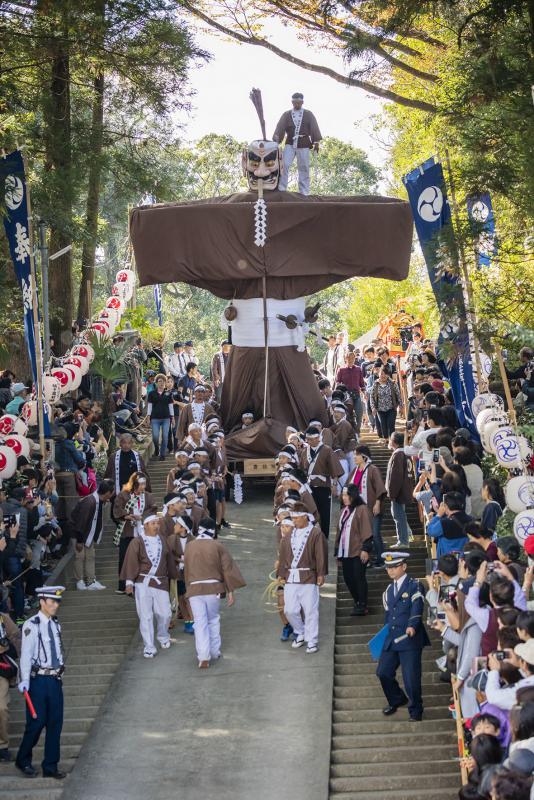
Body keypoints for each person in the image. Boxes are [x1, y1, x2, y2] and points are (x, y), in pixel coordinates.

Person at [16, 586, 66, 779]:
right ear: (42, 602)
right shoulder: (31, 624)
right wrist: (24, 679)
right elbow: (26, 655)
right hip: (38, 681)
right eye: (52, 602)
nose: (55, 606)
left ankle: (50, 766)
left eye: (57, 602)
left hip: (54, 679)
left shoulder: (55, 624)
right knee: (36, 723)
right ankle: (23, 760)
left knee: (55, 723)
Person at [184, 517, 246, 668]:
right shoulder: (217, 545)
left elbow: (186, 571)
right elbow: (227, 569)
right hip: (213, 588)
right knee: (212, 619)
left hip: (194, 588)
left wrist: (188, 591)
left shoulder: (189, 546)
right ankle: (214, 651)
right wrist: (230, 591)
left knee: (200, 622)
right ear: (213, 531)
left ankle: (203, 655)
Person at [376, 551, 430, 721]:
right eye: (388, 567)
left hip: (409, 639)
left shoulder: (414, 584)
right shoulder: (388, 589)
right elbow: (388, 614)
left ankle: (416, 711)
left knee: (411, 678)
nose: (390, 570)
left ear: (404, 566)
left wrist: (412, 625)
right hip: (392, 638)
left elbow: (417, 605)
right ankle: (397, 699)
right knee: (383, 672)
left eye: (394, 566)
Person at [121, 516, 178, 658]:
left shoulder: (162, 539)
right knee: (146, 616)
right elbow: (131, 561)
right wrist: (129, 583)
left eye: (158, 523)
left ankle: (163, 635)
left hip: (161, 581)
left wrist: (174, 574)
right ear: (145, 525)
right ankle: (149, 646)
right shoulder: (137, 542)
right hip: (143, 582)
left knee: (166, 613)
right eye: (153, 523)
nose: (156, 526)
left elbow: (169, 559)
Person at [277, 503, 327, 654]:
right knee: (289, 610)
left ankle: (312, 640)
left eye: (297, 518)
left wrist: (320, 574)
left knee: (310, 610)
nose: (294, 521)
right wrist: (281, 574)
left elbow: (320, 554)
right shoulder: (289, 535)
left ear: (305, 517)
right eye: (292, 518)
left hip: (309, 576)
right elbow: (283, 554)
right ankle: (300, 631)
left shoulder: (315, 533)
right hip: (291, 576)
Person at [113, 473, 157, 593]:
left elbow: (153, 509)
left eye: (144, 484)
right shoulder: (123, 495)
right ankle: (123, 585)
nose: (143, 486)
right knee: (124, 558)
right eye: (141, 484)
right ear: (134, 484)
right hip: (127, 532)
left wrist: (142, 517)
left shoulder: (148, 496)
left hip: (143, 531)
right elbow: (117, 509)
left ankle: (140, 583)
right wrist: (127, 515)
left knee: (142, 558)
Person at [272, 92, 322, 195]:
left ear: (302, 102)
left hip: (304, 143)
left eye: (299, 102)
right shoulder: (286, 114)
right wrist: (276, 141)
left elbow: (314, 127)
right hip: (290, 142)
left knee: (303, 166)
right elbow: (280, 128)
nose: (297, 104)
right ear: (292, 102)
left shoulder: (308, 114)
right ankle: (282, 188)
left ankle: (304, 191)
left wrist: (316, 142)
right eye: (295, 102)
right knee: (284, 164)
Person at [70, 479, 114, 591]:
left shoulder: (98, 501)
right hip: (78, 533)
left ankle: (90, 580)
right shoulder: (89, 502)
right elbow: (80, 521)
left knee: (90, 556)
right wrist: (79, 540)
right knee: (80, 556)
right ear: (108, 493)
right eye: (112, 492)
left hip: (88, 533)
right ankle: (79, 581)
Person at [335, 485, 373, 616]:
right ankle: (357, 601)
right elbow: (339, 532)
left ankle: (362, 604)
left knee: (359, 577)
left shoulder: (362, 509)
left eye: (347, 495)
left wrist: (366, 549)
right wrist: (337, 553)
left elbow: (367, 529)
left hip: (358, 550)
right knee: (348, 578)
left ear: (353, 495)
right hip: (345, 551)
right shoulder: (343, 511)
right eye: (343, 495)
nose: (344, 497)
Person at [299, 426, 343, 538]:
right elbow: (302, 470)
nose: (309, 441)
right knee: (311, 511)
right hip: (309, 486)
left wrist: (334, 485)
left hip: (324, 486)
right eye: (307, 439)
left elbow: (335, 469)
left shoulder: (327, 450)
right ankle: (312, 536)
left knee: (325, 513)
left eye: (311, 439)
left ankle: (324, 537)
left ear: (317, 438)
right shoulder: (304, 451)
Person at [348, 444, 387, 568]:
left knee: (374, 534)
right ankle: (367, 560)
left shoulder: (373, 469)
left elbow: (380, 488)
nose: (354, 457)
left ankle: (382, 559)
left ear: (364, 457)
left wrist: (378, 503)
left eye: (356, 455)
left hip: (373, 507)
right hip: (359, 509)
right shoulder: (355, 471)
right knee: (363, 536)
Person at [385, 432, 414, 548]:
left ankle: (403, 541)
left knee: (398, 515)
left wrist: (392, 492)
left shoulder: (397, 455)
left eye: (391, 439)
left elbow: (395, 476)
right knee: (400, 515)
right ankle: (405, 537)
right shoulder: (406, 454)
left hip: (398, 491)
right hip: (404, 489)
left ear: (394, 442)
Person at [0, 607, 21, 763]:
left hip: (1, 670)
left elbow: (16, 638)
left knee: (1, 707)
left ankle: (2, 745)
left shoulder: (3, 618)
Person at [104, 432, 151, 497]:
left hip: (134, 491)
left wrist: (148, 490)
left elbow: (143, 472)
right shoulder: (113, 457)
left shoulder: (137, 456)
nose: (126, 445)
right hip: (119, 491)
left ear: (132, 444)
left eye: (129, 443)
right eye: (124, 443)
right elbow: (108, 474)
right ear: (120, 444)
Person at [426, 491, 472, 556]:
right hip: (465, 560)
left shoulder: (444, 523)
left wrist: (438, 515)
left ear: (446, 506)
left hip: (448, 561)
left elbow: (431, 531)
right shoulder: (471, 520)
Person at [335, 351, 366, 433]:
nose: (350, 359)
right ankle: (349, 431)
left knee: (359, 412)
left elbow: (361, 383)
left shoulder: (358, 369)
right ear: (345, 359)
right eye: (348, 357)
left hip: (356, 394)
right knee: (348, 415)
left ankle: (357, 429)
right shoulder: (341, 370)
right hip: (346, 396)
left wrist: (364, 392)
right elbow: (337, 382)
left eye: (352, 358)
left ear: (355, 358)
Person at [147, 374, 174, 460]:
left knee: (165, 436)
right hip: (155, 418)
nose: (161, 383)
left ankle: (162, 454)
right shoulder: (151, 393)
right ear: (156, 383)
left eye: (163, 381)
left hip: (166, 418)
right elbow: (150, 406)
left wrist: (172, 417)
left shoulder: (168, 394)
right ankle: (157, 449)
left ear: (165, 383)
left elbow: (170, 406)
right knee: (155, 436)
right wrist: (148, 416)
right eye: (159, 381)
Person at [370, 367, 401, 444]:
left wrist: (401, 406)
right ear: (378, 375)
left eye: (385, 374)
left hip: (391, 408)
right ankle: (386, 440)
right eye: (381, 374)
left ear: (388, 375)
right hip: (380, 409)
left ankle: (393, 441)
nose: (383, 375)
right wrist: (373, 407)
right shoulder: (375, 384)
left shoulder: (393, 383)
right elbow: (372, 397)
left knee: (391, 424)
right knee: (383, 425)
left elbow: (398, 395)